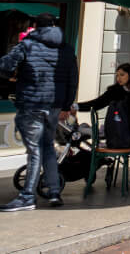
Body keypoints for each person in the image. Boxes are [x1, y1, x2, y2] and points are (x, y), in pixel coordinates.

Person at [0, 13, 78, 211]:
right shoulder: (67, 49)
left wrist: (13, 75)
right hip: (54, 106)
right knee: (47, 147)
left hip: (32, 103)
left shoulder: (28, 44)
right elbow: (72, 80)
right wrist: (67, 105)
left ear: (35, 26)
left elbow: (5, 67)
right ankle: (53, 192)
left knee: (34, 150)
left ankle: (27, 196)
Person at [75, 62, 130, 191]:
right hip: (120, 131)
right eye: (117, 75)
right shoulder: (114, 91)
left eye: (122, 75)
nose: (118, 78)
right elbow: (97, 103)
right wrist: (77, 106)